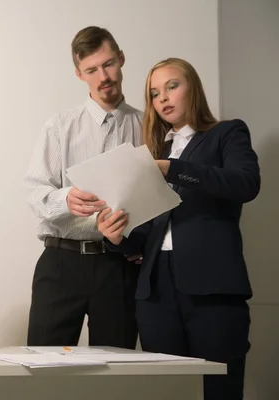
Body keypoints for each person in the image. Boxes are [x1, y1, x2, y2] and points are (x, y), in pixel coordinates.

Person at [97, 58, 260, 400]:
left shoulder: (226, 133)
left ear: (193, 88)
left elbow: (245, 184)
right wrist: (117, 237)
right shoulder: (157, 153)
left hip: (213, 288)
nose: (163, 98)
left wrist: (173, 169)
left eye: (172, 86)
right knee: (167, 391)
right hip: (156, 292)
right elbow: (149, 233)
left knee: (219, 390)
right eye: (155, 94)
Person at [24, 26, 142, 348]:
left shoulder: (148, 127)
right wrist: (66, 199)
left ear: (121, 59)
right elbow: (35, 190)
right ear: (80, 74)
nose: (102, 76)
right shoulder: (59, 126)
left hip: (118, 267)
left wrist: (140, 245)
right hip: (61, 262)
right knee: (45, 369)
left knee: (114, 374)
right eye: (91, 70)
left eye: (107, 64)